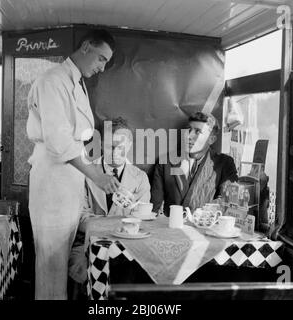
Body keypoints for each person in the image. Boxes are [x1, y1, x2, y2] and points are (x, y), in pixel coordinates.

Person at [26, 29, 120, 300]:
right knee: (51, 265)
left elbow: (84, 138)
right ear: (86, 46)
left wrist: (102, 171)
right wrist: (95, 175)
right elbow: (58, 142)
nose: (102, 67)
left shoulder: (76, 84)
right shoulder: (53, 80)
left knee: (61, 261)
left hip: (69, 182)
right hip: (52, 181)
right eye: (101, 58)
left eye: (106, 62)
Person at [68, 117, 151, 288]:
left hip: (128, 249)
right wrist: (118, 225)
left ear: (128, 146)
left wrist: (104, 223)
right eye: (109, 146)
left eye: (119, 147)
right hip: (86, 246)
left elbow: (141, 221)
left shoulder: (140, 178)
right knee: (89, 271)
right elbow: (79, 219)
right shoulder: (84, 174)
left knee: (130, 272)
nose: (114, 152)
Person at [151, 112, 238, 215]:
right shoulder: (165, 162)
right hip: (169, 226)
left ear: (211, 139)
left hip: (203, 228)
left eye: (198, 132)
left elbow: (228, 201)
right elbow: (155, 207)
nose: (189, 136)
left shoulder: (224, 163)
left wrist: (203, 214)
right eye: (188, 130)